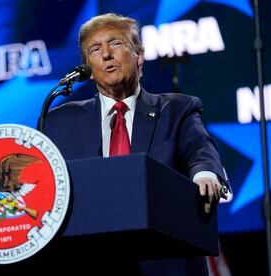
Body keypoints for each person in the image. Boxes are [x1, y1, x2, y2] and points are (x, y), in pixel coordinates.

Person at [43, 13, 229, 276]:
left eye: (115, 44)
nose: (106, 54)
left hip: (164, 262)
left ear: (139, 55)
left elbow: (199, 146)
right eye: (95, 50)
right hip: (89, 260)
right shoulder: (60, 120)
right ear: (89, 69)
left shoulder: (176, 109)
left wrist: (205, 173)